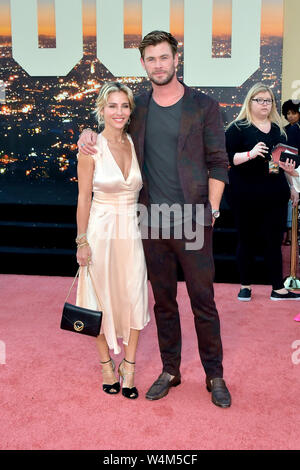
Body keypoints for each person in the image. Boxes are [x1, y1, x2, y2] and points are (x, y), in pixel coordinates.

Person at [78, 30, 231, 408]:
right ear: (143, 64)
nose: (158, 65)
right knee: (163, 301)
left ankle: (215, 374)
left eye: (164, 57)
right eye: (151, 59)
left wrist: (210, 210)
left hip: (193, 220)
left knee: (203, 301)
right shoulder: (139, 107)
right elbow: (110, 131)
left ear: (176, 59)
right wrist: (85, 132)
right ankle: (170, 369)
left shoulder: (204, 107)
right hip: (149, 222)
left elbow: (218, 163)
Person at [76, 81, 150, 399]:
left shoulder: (135, 143)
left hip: (129, 232)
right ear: (101, 109)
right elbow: (83, 199)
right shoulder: (90, 148)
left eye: (124, 106)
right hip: (100, 231)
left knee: (134, 295)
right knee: (98, 299)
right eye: (112, 106)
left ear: (130, 110)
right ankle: (107, 364)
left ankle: (129, 366)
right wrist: (82, 241)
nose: (118, 112)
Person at [225, 83, 300, 302]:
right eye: (260, 100)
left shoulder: (279, 130)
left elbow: (284, 162)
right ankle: (245, 286)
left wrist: (293, 186)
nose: (265, 104)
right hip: (244, 193)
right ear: (250, 102)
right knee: (246, 239)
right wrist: (250, 153)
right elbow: (228, 159)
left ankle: (278, 288)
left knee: (273, 241)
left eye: (268, 100)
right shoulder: (237, 128)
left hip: (275, 193)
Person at [281, 99, 300, 245]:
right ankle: (289, 235)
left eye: (294, 113)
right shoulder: (286, 130)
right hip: (289, 170)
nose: (291, 116)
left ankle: (290, 235)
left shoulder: (294, 129)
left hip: (294, 170)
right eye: (288, 113)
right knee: (290, 202)